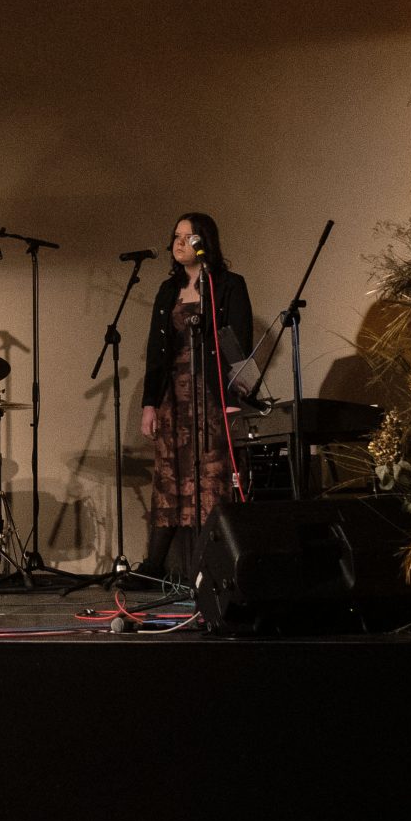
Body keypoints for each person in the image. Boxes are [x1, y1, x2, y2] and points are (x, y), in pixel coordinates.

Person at [139, 211, 253, 580]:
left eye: (188, 237)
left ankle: (214, 568)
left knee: (212, 476)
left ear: (205, 242)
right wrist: (149, 404)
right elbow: (156, 352)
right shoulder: (167, 290)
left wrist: (233, 397)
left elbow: (239, 343)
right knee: (170, 476)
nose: (179, 243)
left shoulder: (229, 285)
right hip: (174, 395)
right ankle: (154, 567)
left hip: (213, 392)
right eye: (176, 236)